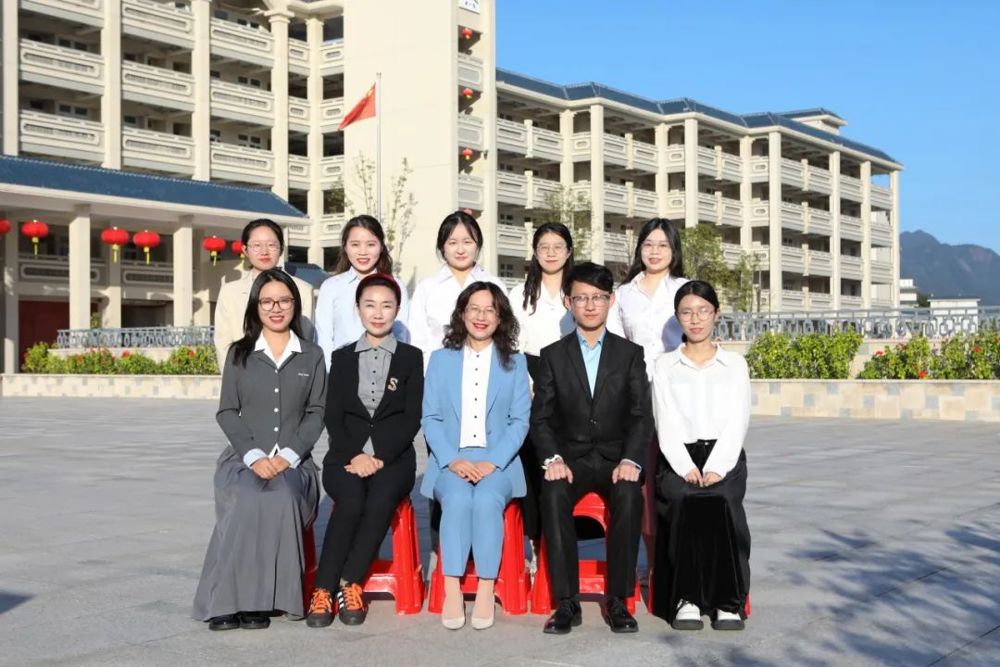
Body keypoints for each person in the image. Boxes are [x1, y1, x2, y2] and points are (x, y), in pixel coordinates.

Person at [193, 269, 327, 630]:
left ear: (295, 305)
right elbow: (226, 411)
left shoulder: (312, 355)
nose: (276, 308)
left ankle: (261, 601)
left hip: (294, 463)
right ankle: (227, 601)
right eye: (267, 301)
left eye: (284, 300)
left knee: (281, 498)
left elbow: (317, 412)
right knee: (246, 497)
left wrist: (288, 456)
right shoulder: (239, 354)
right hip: (243, 459)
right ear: (255, 307)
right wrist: (253, 456)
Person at [530, 262, 652, 635]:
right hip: (570, 460)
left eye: (598, 297)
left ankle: (618, 599)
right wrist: (552, 458)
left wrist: (631, 460)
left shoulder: (630, 354)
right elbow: (540, 418)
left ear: (611, 301)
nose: (590, 305)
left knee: (629, 496)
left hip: (616, 459)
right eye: (581, 298)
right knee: (552, 493)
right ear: (568, 302)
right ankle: (566, 602)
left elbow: (641, 416)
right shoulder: (552, 355)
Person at [306, 273, 423, 628]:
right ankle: (322, 590)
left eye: (387, 305)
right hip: (346, 455)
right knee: (351, 500)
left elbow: (411, 417)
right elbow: (333, 414)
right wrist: (355, 455)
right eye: (370, 305)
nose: (378, 312)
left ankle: (350, 582)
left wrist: (380, 457)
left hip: (394, 458)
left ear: (397, 310)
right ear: (358, 309)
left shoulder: (411, 357)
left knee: (381, 498)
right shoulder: (341, 358)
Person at [420, 282, 530, 630]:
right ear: (462, 313)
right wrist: (451, 459)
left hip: (499, 461)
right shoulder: (441, 360)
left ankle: (485, 586)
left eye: (489, 310)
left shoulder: (515, 363)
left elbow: (519, 421)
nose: (481, 317)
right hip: (451, 459)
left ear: (500, 317)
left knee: (485, 499)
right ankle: (451, 587)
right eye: (474, 309)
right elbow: (431, 418)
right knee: (456, 499)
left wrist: (493, 461)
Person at [650, 280, 751, 632]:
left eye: (703, 311)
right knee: (685, 499)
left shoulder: (734, 364)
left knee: (721, 500)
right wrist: (685, 466)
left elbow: (738, 420)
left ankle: (728, 600)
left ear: (716, 314)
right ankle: (686, 597)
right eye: (687, 312)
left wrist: (719, 467)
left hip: (725, 455)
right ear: (677, 317)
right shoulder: (665, 365)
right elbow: (664, 421)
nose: (695, 319)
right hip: (678, 456)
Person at [606, 217, 688, 544]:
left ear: (674, 250)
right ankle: (651, 559)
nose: (655, 252)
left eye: (663, 245)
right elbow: (615, 344)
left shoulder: (684, 289)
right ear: (639, 248)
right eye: (648, 245)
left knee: (675, 473)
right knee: (644, 478)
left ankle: (676, 551)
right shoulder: (624, 294)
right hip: (636, 394)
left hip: (677, 393)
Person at [507, 222, 576, 545]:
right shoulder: (519, 294)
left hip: (571, 378)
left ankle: (560, 541)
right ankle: (535, 542)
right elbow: (511, 345)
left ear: (569, 251)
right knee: (533, 462)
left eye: (558, 247)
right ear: (534, 253)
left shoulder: (578, 291)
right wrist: (529, 383)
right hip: (529, 378)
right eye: (544, 247)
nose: (551, 253)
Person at [213, 218, 315, 370]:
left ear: (281, 249)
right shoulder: (230, 292)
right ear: (245, 249)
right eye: (257, 245)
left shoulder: (303, 289)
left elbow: (305, 339)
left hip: (288, 374)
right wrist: (234, 377)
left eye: (271, 245)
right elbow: (223, 343)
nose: (264, 251)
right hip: (243, 373)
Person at [407, 211, 506, 367]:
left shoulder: (494, 285)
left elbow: (505, 333)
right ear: (442, 247)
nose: (460, 250)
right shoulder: (427, 287)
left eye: (467, 242)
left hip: (486, 369)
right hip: (437, 370)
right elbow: (416, 339)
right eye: (452, 243)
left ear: (478, 244)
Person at [314, 215, 410, 370]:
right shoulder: (331, 287)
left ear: (381, 246)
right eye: (355, 244)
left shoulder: (395, 285)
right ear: (345, 247)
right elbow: (323, 337)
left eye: (371, 244)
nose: (363, 252)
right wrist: (331, 374)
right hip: (342, 371)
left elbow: (401, 335)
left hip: (385, 371)